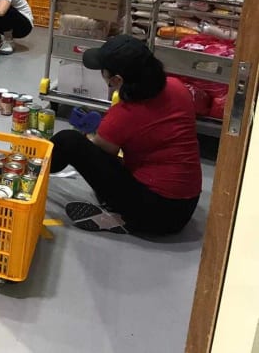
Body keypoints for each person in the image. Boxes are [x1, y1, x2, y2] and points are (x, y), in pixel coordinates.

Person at [49, 35, 202, 236]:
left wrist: (90, 138)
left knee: (68, 140)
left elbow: (104, 152)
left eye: (103, 71)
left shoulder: (125, 114)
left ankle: (34, 168)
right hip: (186, 204)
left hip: (154, 213)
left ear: (117, 80)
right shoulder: (176, 86)